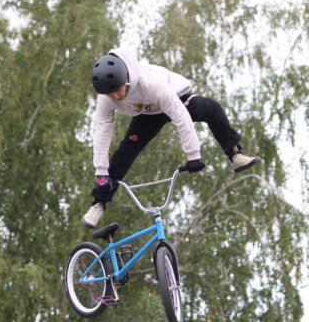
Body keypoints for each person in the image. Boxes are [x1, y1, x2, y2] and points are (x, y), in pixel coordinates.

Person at [81, 48, 262, 228]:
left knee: (209, 107)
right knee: (127, 149)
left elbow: (179, 115)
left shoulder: (151, 83)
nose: (115, 96)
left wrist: (193, 155)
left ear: (126, 78)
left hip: (177, 98)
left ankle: (235, 155)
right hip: (148, 113)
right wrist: (101, 174)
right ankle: (99, 203)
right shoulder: (106, 98)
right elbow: (102, 132)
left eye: (117, 90)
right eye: (109, 94)